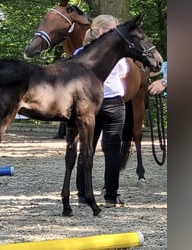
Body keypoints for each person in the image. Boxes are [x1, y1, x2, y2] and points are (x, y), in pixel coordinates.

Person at [75, 14, 132, 207]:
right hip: (113, 101)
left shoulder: (80, 52)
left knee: (86, 147)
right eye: (113, 30)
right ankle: (111, 195)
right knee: (113, 149)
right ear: (101, 32)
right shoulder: (117, 54)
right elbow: (124, 73)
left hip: (88, 104)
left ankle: (82, 193)